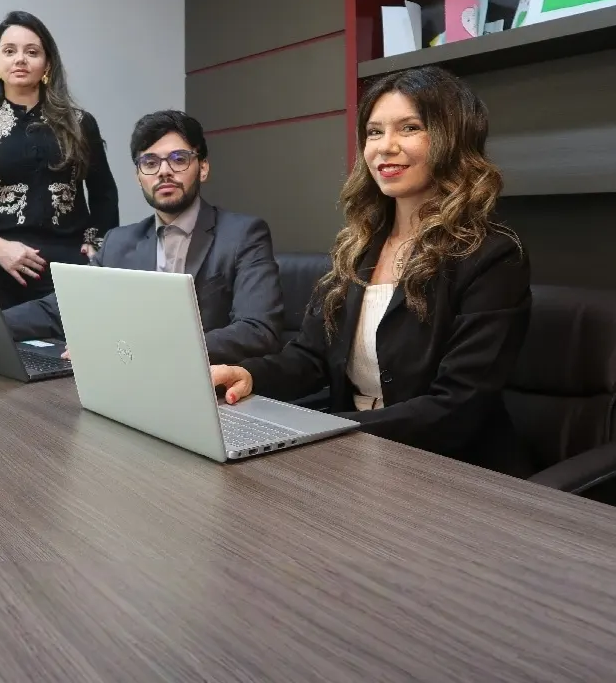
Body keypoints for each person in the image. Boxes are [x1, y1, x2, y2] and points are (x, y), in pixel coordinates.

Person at [212, 66, 532, 474]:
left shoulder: (493, 255)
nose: (385, 147)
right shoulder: (358, 246)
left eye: (409, 128)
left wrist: (321, 432)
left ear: (453, 138)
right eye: (375, 132)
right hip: (352, 456)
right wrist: (247, 374)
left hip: (451, 470)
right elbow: (310, 358)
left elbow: (458, 405)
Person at [0, 110, 283, 364]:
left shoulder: (243, 234)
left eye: (178, 158)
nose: (164, 172)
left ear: (202, 168)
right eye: (150, 163)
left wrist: (143, 348)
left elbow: (258, 330)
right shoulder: (120, 243)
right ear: (139, 175)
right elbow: (57, 311)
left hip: (211, 391)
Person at [0, 10, 119, 309]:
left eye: (32, 52)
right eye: (9, 51)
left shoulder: (79, 123)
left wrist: (95, 246)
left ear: (47, 65)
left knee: (64, 353)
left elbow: (104, 194)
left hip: (68, 268)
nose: (20, 59)